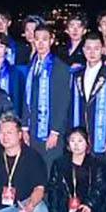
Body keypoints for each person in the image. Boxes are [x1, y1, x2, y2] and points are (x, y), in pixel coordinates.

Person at [47, 127, 106, 212]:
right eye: (72, 141)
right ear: (68, 144)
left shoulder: (97, 165)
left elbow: (100, 189)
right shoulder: (59, 163)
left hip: (90, 210)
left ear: (87, 143)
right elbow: (54, 190)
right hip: (67, 210)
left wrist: (89, 204)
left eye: (80, 141)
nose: (76, 145)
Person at [22, 26, 71, 163]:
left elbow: (63, 102)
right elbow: (26, 98)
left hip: (51, 129)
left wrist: (55, 131)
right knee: (34, 166)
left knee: (50, 165)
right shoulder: (31, 65)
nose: (40, 43)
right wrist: (24, 127)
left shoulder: (60, 67)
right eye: (37, 39)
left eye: (44, 39)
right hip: (33, 128)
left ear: (51, 40)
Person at [70, 34, 106, 160]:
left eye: (96, 48)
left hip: (103, 134)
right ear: (83, 50)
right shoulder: (76, 75)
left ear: (103, 50)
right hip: (81, 134)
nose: (92, 52)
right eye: (88, 48)